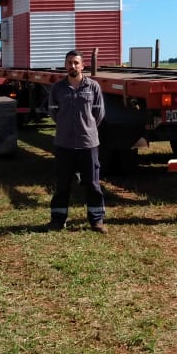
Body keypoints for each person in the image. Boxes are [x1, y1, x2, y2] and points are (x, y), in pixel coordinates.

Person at [47, 49, 107, 233]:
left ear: (82, 65)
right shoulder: (57, 88)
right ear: (65, 65)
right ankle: (58, 220)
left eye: (76, 63)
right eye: (69, 63)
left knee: (93, 184)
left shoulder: (93, 87)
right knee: (62, 184)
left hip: (88, 144)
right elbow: (53, 113)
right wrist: (67, 127)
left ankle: (96, 220)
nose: (72, 66)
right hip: (64, 144)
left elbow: (99, 113)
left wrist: (86, 128)